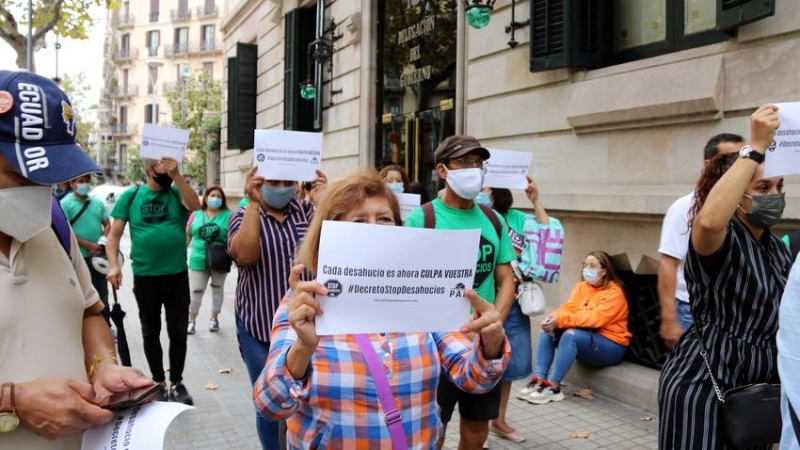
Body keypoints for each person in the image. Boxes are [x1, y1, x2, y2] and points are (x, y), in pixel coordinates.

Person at [254, 169, 510, 448]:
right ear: (330, 232)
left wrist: (491, 342)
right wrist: (302, 349)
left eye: (384, 218)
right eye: (359, 220)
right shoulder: (305, 304)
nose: (374, 228)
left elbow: (475, 379)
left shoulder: (423, 296)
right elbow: (270, 406)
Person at [0, 69, 154, 449]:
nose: (39, 192)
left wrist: (103, 365)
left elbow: (88, 312)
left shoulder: (52, 222)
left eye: (49, 178)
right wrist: (12, 401)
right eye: (23, 176)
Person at [658, 105, 790, 450]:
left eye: (779, 186)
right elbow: (708, 221)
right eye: (762, 188)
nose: (774, 195)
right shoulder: (719, 237)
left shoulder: (778, 248)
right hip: (704, 386)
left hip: (756, 393)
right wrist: (756, 146)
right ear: (736, 194)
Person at [405, 135, 516, 450]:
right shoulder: (423, 219)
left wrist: (492, 323)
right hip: (435, 348)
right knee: (434, 430)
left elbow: (506, 277)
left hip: (483, 347)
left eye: (478, 163)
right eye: (464, 163)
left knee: (476, 432)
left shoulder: (493, 219)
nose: (474, 170)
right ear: (442, 170)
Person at [227, 166, 327, 449]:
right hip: (259, 327)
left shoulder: (308, 213)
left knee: (301, 395)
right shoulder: (242, 216)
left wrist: (325, 200)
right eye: (274, 182)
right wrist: (255, 203)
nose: (281, 187)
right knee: (270, 400)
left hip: (306, 324)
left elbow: (334, 249)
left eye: (288, 182)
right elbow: (245, 254)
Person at [105, 157, 201, 405]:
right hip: (146, 277)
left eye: (172, 164)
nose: (168, 168)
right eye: (163, 165)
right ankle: (158, 382)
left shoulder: (176, 192)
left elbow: (196, 205)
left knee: (178, 332)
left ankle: (177, 382)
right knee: (151, 332)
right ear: (150, 169)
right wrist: (114, 265)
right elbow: (113, 236)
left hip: (177, 276)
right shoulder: (132, 196)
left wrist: (177, 176)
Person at [476, 185, 563, 443]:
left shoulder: (516, 218)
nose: (480, 188)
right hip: (478, 302)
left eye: (486, 186)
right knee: (477, 365)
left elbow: (548, 237)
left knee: (510, 366)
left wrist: (536, 201)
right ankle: (476, 426)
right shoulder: (471, 213)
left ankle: (498, 420)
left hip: (513, 302)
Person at [658, 133, 743, 350]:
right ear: (708, 165)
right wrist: (669, 319)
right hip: (692, 311)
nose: (737, 165)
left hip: (731, 312)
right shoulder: (683, 208)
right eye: (729, 158)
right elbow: (668, 264)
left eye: (742, 158)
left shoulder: (743, 205)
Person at [525, 251, 630, 405]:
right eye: (585, 265)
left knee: (570, 334)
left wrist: (560, 320)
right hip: (588, 339)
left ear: (604, 271)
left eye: (593, 266)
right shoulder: (582, 287)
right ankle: (539, 380)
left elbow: (593, 319)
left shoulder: (615, 293)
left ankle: (553, 387)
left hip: (611, 346)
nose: (588, 269)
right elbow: (568, 308)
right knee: (547, 329)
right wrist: (553, 318)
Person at [60, 174, 112, 326]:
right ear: (72, 183)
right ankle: (81, 326)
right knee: (79, 294)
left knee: (102, 292)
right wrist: (88, 245)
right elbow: (66, 231)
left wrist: (101, 243)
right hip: (78, 257)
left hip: (98, 258)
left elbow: (108, 225)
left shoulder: (97, 203)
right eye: (81, 181)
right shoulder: (65, 204)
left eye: (87, 181)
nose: (85, 184)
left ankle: (105, 325)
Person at [186, 186, 233, 334]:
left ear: (223, 200)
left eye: (219, 196)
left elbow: (233, 237)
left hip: (220, 259)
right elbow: (187, 234)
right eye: (212, 195)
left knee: (217, 290)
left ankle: (214, 319)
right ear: (206, 198)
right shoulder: (196, 214)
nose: (215, 199)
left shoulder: (229, 215)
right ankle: (191, 321)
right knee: (196, 291)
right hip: (198, 259)